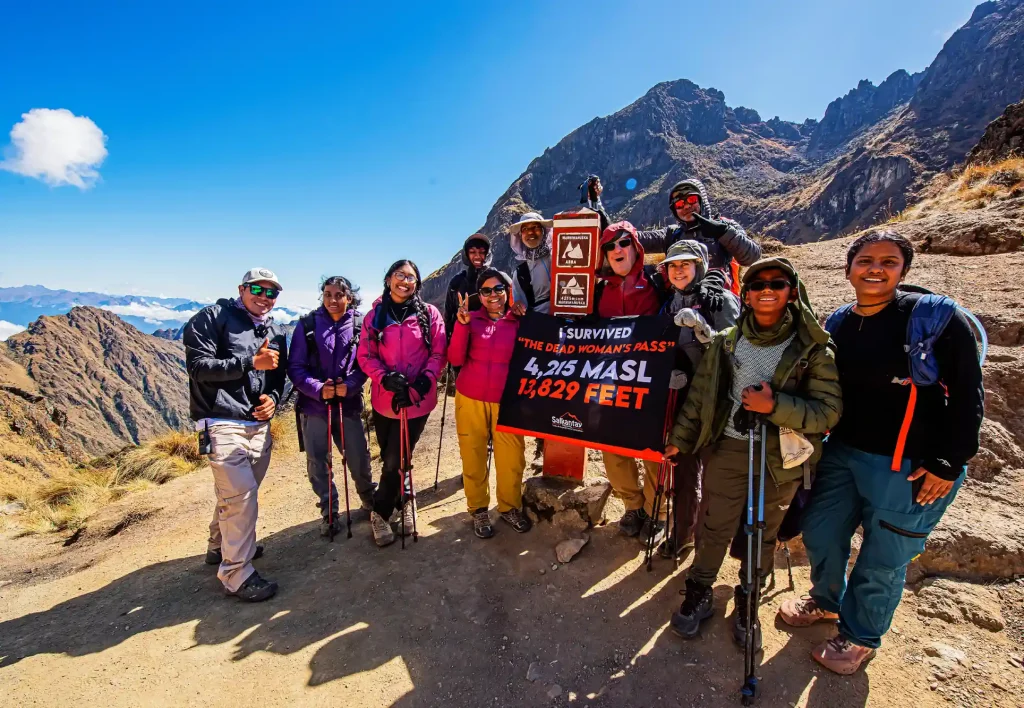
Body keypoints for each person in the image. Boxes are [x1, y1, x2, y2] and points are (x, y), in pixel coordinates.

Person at [778, 231, 984, 675]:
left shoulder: (937, 320)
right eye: (866, 260)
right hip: (844, 451)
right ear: (849, 268)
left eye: (889, 261)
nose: (876, 269)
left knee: (883, 556)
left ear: (903, 270)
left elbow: (968, 394)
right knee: (818, 528)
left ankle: (860, 637)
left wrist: (948, 463)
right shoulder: (838, 323)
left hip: (910, 465)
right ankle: (827, 601)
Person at [664, 257, 841, 647]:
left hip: (781, 458)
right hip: (729, 446)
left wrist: (773, 405)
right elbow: (701, 395)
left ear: (792, 292)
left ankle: (749, 595)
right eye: (757, 284)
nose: (766, 290)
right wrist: (682, 437)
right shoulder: (728, 340)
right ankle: (700, 590)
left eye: (776, 284)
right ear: (744, 294)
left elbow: (828, 411)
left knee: (763, 530)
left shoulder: (813, 348)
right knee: (714, 523)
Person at [183, 268, 289, 602]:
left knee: (238, 494)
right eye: (258, 289)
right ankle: (237, 574)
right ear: (241, 289)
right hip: (221, 421)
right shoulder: (211, 318)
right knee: (241, 498)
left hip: (257, 425)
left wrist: (273, 401)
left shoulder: (272, 330)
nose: (264, 297)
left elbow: (278, 379)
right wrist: (250, 362)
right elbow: (198, 368)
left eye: (272, 293)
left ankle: (219, 545)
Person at [657, 240, 741, 557]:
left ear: (700, 267)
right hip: (679, 398)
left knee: (713, 474)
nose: (678, 270)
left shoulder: (721, 302)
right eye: (673, 265)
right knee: (683, 468)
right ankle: (682, 535)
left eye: (685, 264)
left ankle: (708, 546)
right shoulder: (668, 305)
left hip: (715, 403)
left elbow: (735, 351)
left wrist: (705, 332)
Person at [357, 260, 447, 547]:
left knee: (396, 458)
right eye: (400, 275)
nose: (405, 281)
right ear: (388, 279)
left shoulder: (430, 314)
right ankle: (405, 500)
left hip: (417, 402)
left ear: (417, 285)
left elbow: (438, 353)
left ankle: (380, 512)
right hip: (385, 401)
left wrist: (421, 384)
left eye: (411, 277)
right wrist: (384, 378)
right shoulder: (374, 316)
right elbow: (366, 355)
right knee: (390, 456)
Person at [593, 221, 666, 540]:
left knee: (653, 449)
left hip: (652, 382)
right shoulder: (598, 289)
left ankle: (657, 511)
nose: (616, 250)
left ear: (636, 246)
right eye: (609, 246)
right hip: (611, 379)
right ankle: (632, 506)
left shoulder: (657, 280)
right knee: (612, 446)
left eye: (623, 243)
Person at [287, 275, 373, 537]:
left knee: (358, 456)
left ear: (349, 297)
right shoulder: (308, 325)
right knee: (317, 461)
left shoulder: (360, 325)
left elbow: (365, 363)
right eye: (328, 294)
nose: (333, 300)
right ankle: (329, 511)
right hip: (314, 407)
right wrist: (317, 389)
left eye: (339, 295)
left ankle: (369, 500)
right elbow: (296, 367)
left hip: (347, 405)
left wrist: (353, 384)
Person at [449, 268, 531, 538]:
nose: (493, 295)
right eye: (486, 290)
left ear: (508, 292)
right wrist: (461, 326)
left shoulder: (519, 321)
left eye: (498, 289)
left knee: (512, 458)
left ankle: (509, 506)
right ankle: (478, 509)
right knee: (473, 455)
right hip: (470, 397)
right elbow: (456, 359)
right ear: (479, 296)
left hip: (507, 400)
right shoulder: (469, 320)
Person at [637, 178, 761, 290]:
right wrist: (620, 231)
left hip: (719, 301)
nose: (686, 206)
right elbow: (640, 239)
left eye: (691, 200)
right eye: (679, 204)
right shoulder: (673, 234)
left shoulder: (724, 226)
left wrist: (723, 233)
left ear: (702, 201)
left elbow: (752, 257)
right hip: (683, 304)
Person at [443, 233, 492, 337]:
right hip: (462, 338)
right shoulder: (457, 282)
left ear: (487, 254)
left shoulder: (498, 278)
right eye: (472, 252)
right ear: (466, 254)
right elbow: (448, 316)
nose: (477, 256)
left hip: (490, 339)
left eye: (482, 252)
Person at [509, 212, 554, 314]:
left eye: (535, 227)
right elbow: (519, 305)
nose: (530, 232)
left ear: (544, 232)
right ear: (520, 236)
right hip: (539, 325)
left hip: (568, 322)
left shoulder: (560, 257)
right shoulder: (520, 273)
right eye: (525, 229)